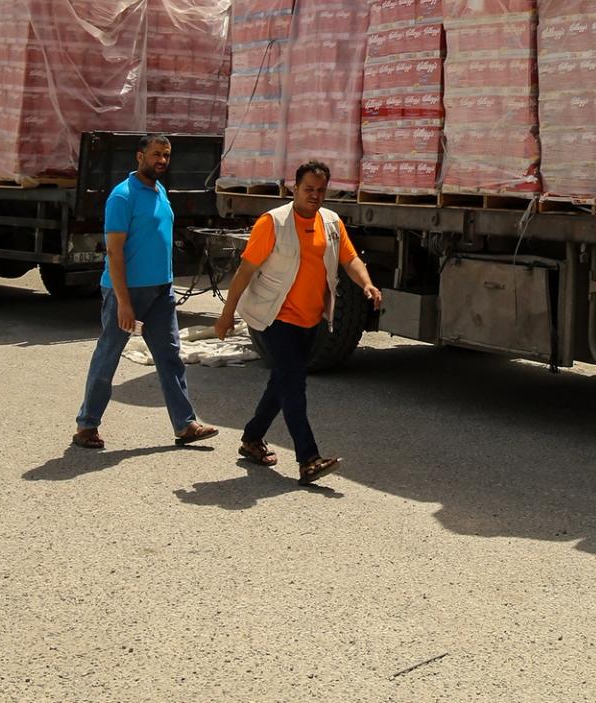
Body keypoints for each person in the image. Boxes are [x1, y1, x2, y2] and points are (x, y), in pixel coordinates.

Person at [213, 160, 382, 484]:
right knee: (294, 387)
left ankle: (252, 438)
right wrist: (225, 315)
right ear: (295, 189)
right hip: (277, 317)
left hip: (312, 318)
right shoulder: (273, 223)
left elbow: (349, 258)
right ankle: (308, 458)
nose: (315, 196)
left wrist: (367, 284)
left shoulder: (331, 222)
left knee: (282, 382)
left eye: (320, 190)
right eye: (308, 190)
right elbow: (244, 272)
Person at [71, 133, 219, 449]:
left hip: (161, 292)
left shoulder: (159, 190)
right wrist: (124, 303)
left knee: (170, 357)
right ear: (140, 156)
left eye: (166, 155)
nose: (161, 160)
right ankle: (87, 426)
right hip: (126, 292)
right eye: (156, 154)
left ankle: (185, 424)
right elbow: (114, 252)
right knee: (108, 356)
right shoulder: (122, 196)